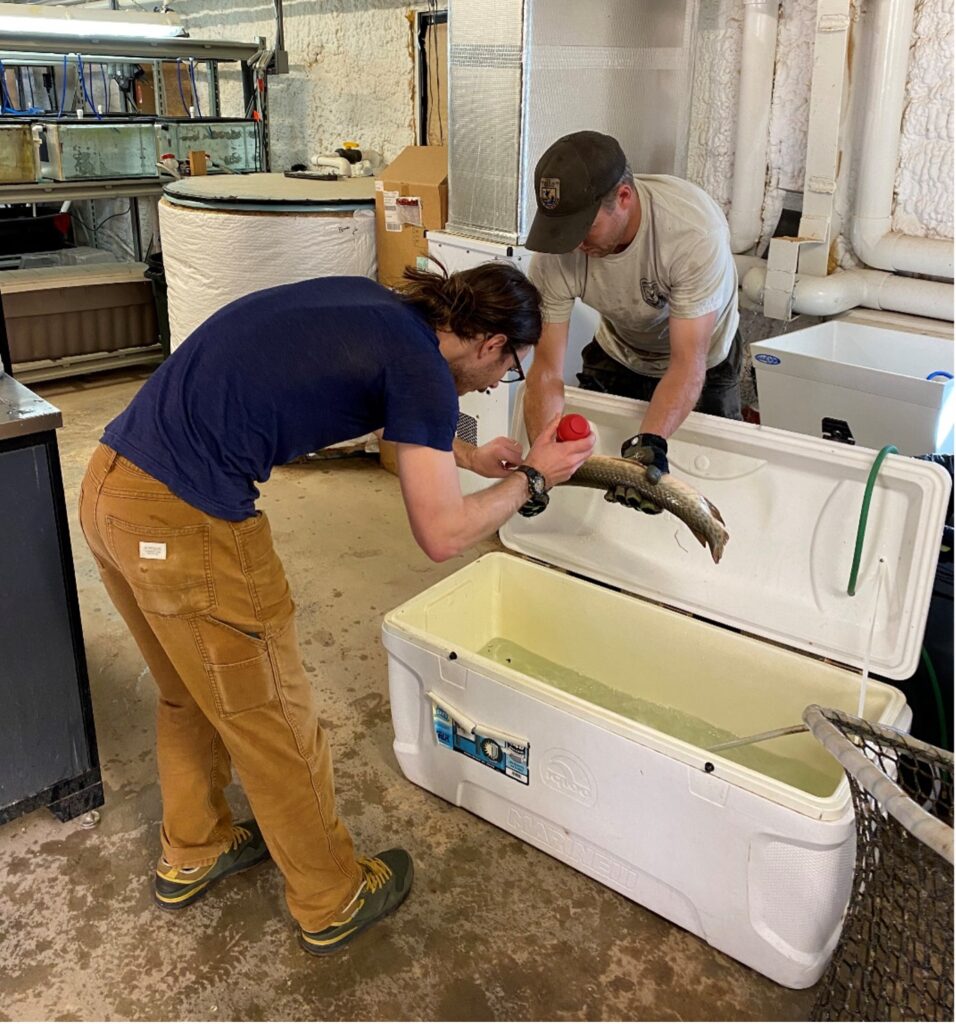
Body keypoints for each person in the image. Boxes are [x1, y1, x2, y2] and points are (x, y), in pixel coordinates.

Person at [78, 264, 593, 955]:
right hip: (185, 522)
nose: (497, 385)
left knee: (189, 692)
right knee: (275, 720)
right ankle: (333, 896)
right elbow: (441, 536)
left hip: (111, 487)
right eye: (510, 371)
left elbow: (384, 422)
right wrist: (535, 477)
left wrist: (467, 456)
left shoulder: (378, 308)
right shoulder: (424, 373)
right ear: (492, 343)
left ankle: (194, 847)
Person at [524, 130, 741, 511]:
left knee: (705, 481)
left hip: (702, 361)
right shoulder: (558, 252)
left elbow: (687, 362)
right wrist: (538, 467)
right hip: (619, 348)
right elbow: (545, 369)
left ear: (623, 198)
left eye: (583, 228)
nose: (573, 245)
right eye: (563, 230)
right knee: (600, 479)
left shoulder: (691, 233)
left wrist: (650, 442)